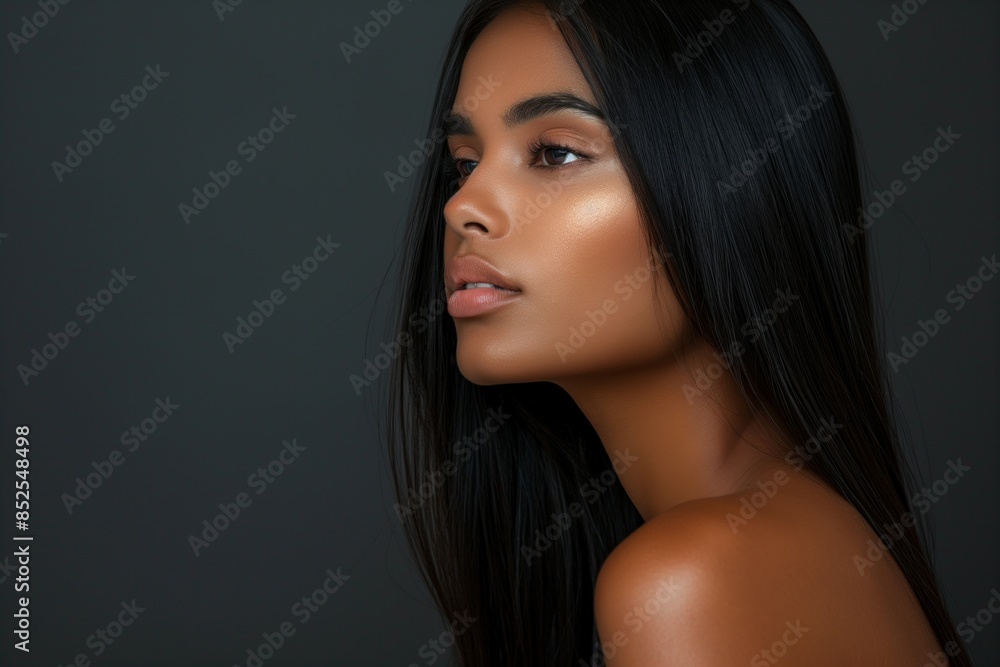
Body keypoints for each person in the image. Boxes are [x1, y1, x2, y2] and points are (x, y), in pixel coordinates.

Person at [385, 1, 974, 664]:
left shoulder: (693, 578)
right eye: (464, 162)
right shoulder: (800, 533)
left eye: (555, 153)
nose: (462, 206)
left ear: (733, 184)